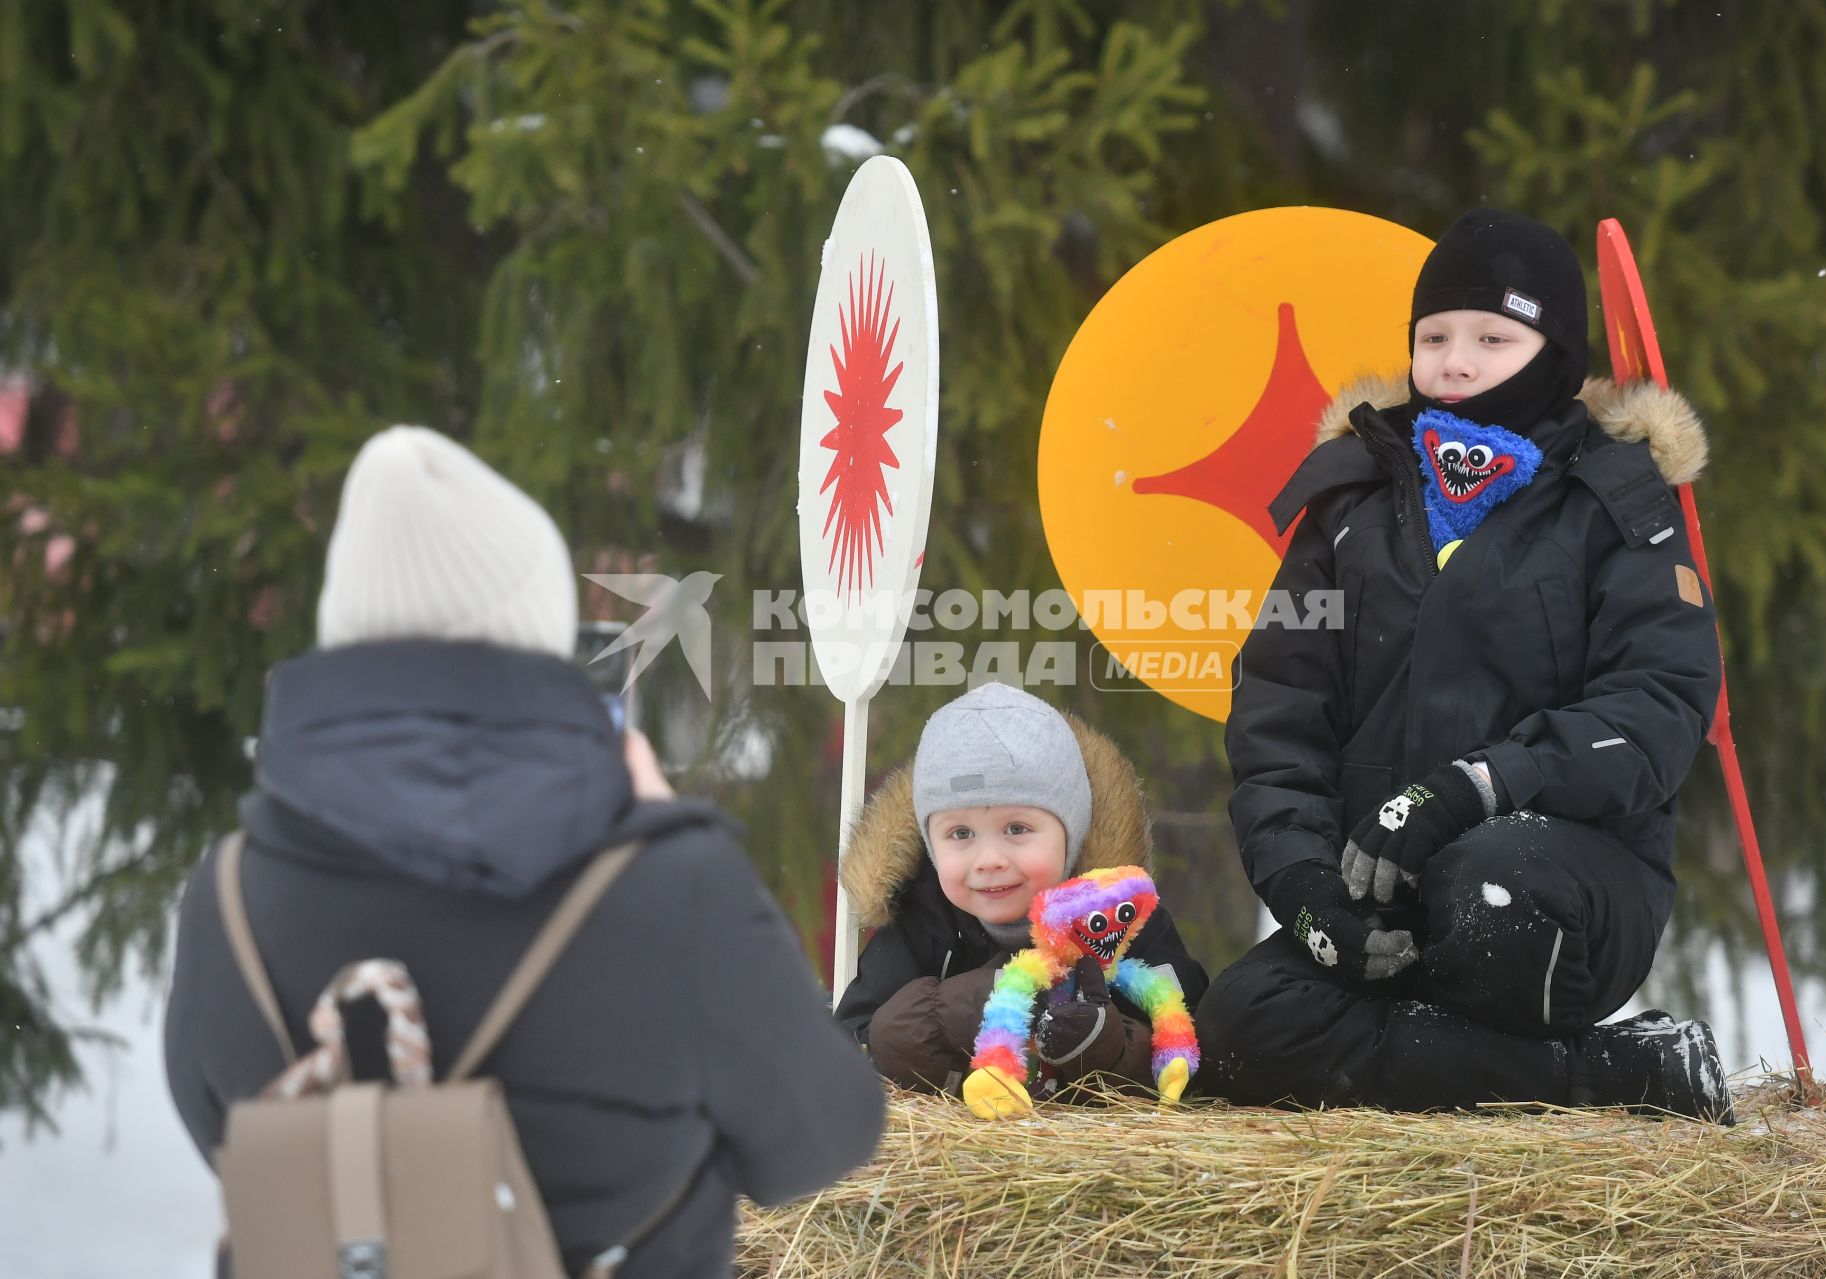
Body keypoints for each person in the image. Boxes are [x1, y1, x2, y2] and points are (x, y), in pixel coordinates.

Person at [163, 426, 885, 1278]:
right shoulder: (672, 891)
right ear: (536, 633)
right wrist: (661, 827)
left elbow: (224, 1133)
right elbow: (825, 1136)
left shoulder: (231, 897)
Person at [1197, 208, 1735, 1121]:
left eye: (1493, 337)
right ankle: (1605, 1077)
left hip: (1561, 884)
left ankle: (1431, 1044)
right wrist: (1305, 884)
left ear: (1554, 351)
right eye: (1434, 336)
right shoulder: (1348, 500)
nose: (1455, 361)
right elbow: (1277, 714)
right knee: (1239, 1026)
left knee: (1487, 889)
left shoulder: (1614, 501)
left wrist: (1481, 784)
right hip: (1383, 888)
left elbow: (1658, 706)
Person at [834, 681, 1208, 1100]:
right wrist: (950, 1011)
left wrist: (1107, 1042)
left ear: (1072, 831)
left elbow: (1189, 1038)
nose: (988, 859)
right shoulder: (921, 920)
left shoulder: (1118, 915)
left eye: (1017, 829)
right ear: (930, 845)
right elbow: (848, 1050)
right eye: (960, 833)